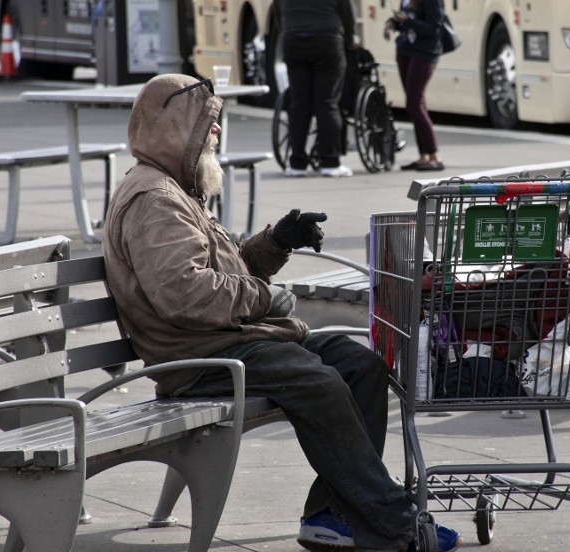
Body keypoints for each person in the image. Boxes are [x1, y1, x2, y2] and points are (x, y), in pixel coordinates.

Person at [102, 74, 461, 552]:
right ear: (174, 128)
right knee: (318, 381)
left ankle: (331, 515)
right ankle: (394, 522)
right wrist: (265, 299)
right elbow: (185, 295)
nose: (216, 134)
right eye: (208, 125)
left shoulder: (175, 188)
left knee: (360, 365)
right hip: (197, 356)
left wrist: (275, 244)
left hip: (228, 338)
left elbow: (219, 275)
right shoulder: (155, 200)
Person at [275, 0, 355, 178]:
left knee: (299, 102)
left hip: (293, 40)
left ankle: (297, 164)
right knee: (327, 102)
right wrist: (349, 40)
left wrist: (291, 29)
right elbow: (347, 14)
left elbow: (278, 15)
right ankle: (330, 162)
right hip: (327, 41)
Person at [385, 0, 446, 172]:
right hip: (405, 51)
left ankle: (435, 155)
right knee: (416, 104)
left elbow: (434, 28)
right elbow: (405, 20)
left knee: (414, 103)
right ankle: (424, 155)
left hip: (424, 54)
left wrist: (407, 20)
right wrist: (392, 23)